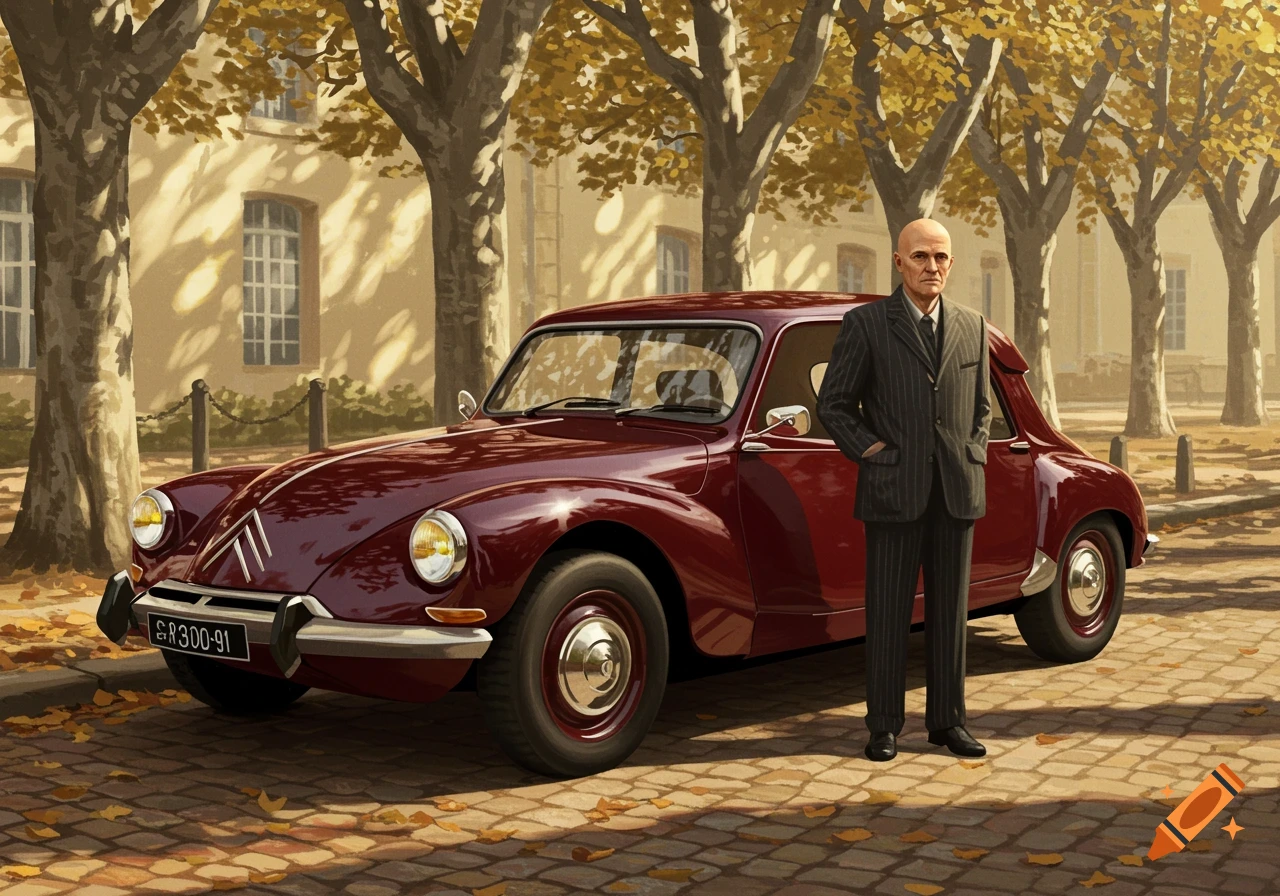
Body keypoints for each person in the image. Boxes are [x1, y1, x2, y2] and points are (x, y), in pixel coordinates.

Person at [816, 218, 991, 762]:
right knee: (889, 614)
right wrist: (872, 451)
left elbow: (982, 409)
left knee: (949, 616)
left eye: (940, 257)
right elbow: (835, 405)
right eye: (920, 257)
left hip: (956, 492)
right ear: (898, 263)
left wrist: (971, 453)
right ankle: (883, 726)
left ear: (951, 263)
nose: (931, 267)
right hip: (893, 489)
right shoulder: (866, 324)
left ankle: (949, 724)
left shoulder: (973, 326)